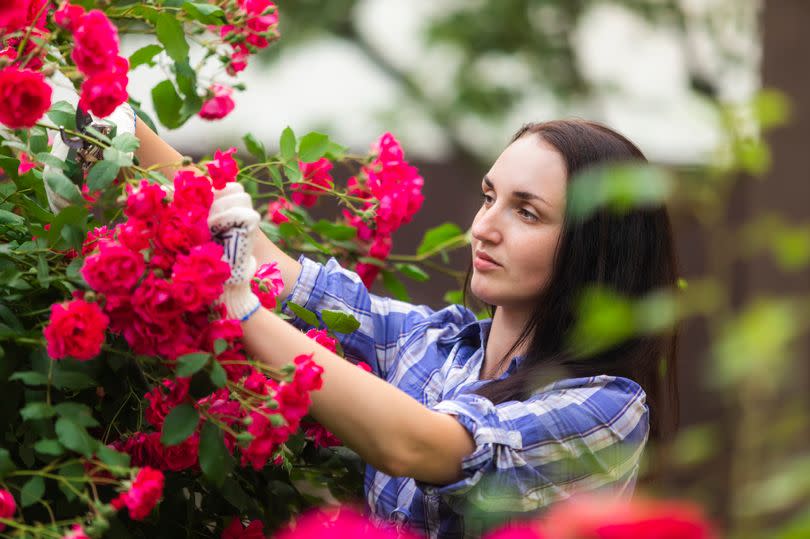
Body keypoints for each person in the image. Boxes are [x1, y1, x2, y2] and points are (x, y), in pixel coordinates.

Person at [51, 108, 680, 538]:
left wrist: (239, 309)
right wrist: (111, 125)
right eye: (490, 196)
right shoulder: (442, 348)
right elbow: (272, 266)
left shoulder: (607, 407)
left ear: (594, 249)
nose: (483, 227)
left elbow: (422, 445)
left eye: (527, 212)